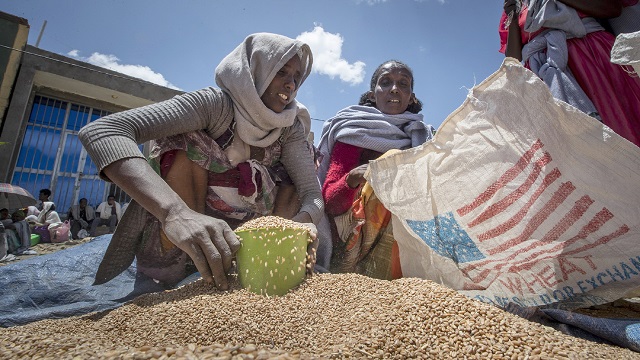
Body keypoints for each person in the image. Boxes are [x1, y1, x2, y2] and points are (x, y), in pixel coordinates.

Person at [78, 33, 323, 289]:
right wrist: (175, 214)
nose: (291, 85)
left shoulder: (289, 126)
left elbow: (312, 194)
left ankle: (268, 270)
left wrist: (298, 227)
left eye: (296, 77)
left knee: (295, 178)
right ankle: (186, 269)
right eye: (282, 72)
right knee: (185, 144)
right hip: (187, 230)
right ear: (256, 70)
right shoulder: (214, 105)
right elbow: (103, 132)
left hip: (252, 245)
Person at [317, 60, 434, 279]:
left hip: (406, 230)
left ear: (411, 96)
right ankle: (364, 275)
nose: (395, 89)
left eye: (403, 84)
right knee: (390, 164)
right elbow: (331, 203)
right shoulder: (354, 132)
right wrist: (353, 178)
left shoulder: (421, 138)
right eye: (386, 82)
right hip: (353, 234)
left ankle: (408, 278)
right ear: (373, 94)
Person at [500, 0, 640, 147]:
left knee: (619, 122)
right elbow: (513, 58)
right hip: (546, 76)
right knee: (577, 146)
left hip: (593, 59)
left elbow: (612, 8)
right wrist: (513, 16)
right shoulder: (515, 6)